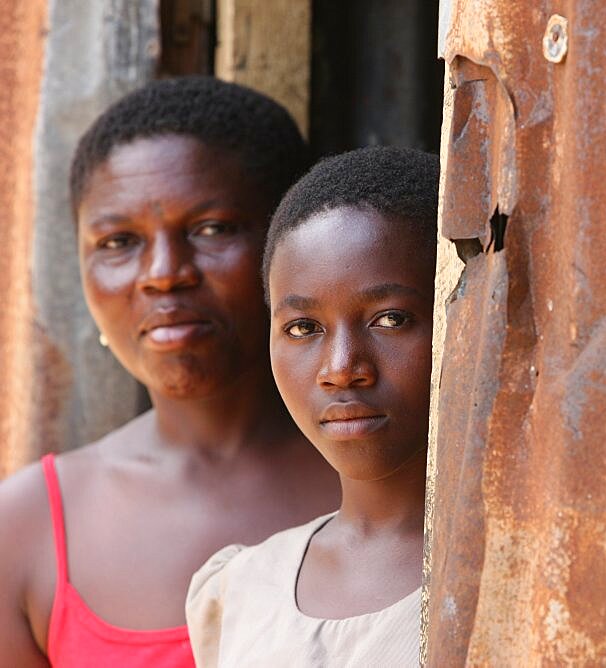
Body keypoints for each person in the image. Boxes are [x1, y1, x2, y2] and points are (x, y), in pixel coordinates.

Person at [0, 77, 342, 667]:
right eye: (119, 240)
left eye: (212, 229)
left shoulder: (404, 480)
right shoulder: (24, 530)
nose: (163, 273)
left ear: (293, 240)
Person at [186, 146, 438, 666]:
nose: (342, 367)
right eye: (303, 328)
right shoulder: (239, 591)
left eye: (390, 319)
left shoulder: (530, 573)